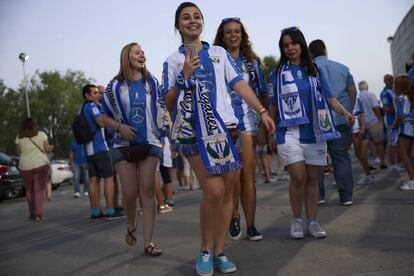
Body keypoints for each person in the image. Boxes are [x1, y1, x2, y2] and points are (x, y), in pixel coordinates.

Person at [162, 2, 275, 275]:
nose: (192, 21)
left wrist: (261, 111)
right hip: (193, 135)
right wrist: (183, 78)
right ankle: (204, 249)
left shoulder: (218, 53)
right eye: (186, 18)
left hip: (227, 131)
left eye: (197, 16)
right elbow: (166, 103)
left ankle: (220, 251)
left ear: (202, 22)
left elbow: (239, 84)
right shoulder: (173, 60)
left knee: (227, 194)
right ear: (178, 26)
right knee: (214, 191)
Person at [268, 27, 354, 240]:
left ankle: (313, 221)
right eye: (286, 45)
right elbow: (272, 105)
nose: (290, 48)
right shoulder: (277, 73)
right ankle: (297, 220)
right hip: (288, 131)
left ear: (301, 44)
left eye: (294, 43)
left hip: (316, 130)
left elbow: (330, 97)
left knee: (313, 179)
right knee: (298, 177)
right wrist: (268, 130)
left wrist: (346, 113)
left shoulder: (315, 69)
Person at [101, 42, 170, 256]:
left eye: (143, 52)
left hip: (150, 142)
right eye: (137, 52)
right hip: (122, 146)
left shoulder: (153, 82)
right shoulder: (114, 87)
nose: (142, 55)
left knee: (147, 191)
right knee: (130, 192)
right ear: (126, 57)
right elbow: (102, 118)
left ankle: (149, 242)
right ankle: (131, 223)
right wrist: (120, 127)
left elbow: (163, 108)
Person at [213, 17, 267, 241]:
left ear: (242, 35)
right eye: (228, 32)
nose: (233, 35)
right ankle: (233, 215)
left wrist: (264, 120)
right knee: (230, 179)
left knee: (248, 177)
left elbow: (261, 92)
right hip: (223, 126)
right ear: (222, 36)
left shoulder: (252, 63)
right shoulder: (214, 59)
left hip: (247, 124)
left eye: (237, 31)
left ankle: (252, 225)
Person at [309, 39, 357, 206]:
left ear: (310, 53)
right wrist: (348, 112)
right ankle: (346, 196)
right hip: (340, 119)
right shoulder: (343, 68)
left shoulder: (309, 68)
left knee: (318, 158)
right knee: (341, 156)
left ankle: (319, 195)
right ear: (325, 50)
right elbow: (353, 91)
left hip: (318, 120)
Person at [80, 84, 121, 220]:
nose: (98, 95)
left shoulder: (82, 109)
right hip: (100, 148)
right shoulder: (92, 106)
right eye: (95, 93)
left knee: (94, 180)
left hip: (88, 150)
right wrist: (110, 119)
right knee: (109, 178)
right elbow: (101, 122)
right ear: (87, 95)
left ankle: (95, 211)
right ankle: (110, 210)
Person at [15, 118, 53, 221]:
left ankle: (32, 213)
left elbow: (18, 152)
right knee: (39, 190)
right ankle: (39, 214)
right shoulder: (41, 134)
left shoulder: (19, 137)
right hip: (41, 164)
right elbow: (46, 149)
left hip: (25, 166)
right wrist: (51, 147)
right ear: (34, 125)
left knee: (29, 190)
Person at [357, 81, 387, 169]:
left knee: (365, 145)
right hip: (374, 121)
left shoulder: (357, 97)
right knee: (379, 143)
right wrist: (379, 118)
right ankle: (382, 162)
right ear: (367, 86)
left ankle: (368, 164)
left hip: (362, 123)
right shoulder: (370, 95)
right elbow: (375, 107)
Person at [392, 75, 414, 190]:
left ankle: (412, 180)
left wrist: (394, 126)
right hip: (410, 127)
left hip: (404, 128)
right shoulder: (409, 96)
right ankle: (412, 178)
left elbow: (400, 116)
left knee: (403, 154)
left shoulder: (401, 98)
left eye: (395, 83)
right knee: (409, 154)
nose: (394, 85)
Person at [380, 74, 404, 173]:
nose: (391, 81)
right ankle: (392, 165)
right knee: (392, 143)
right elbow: (386, 108)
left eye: (392, 79)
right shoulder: (385, 93)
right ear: (384, 81)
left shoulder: (393, 91)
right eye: (388, 80)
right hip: (391, 121)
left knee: (397, 143)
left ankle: (398, 163)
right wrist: (399, 112)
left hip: (397, 120)